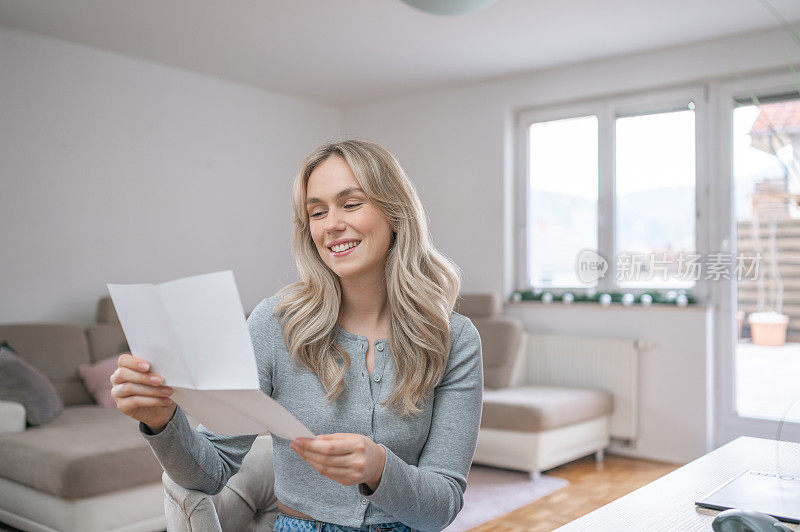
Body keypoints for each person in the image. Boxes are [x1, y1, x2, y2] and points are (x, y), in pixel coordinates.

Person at [110, 139, 484, 532]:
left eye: (351, 203)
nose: (331, 224)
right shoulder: (275, 323)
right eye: (316, 212)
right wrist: (161, 421)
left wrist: (379, 468)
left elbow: (442, 505)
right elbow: (210, 473)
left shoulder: (453, 338)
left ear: (396, 212)